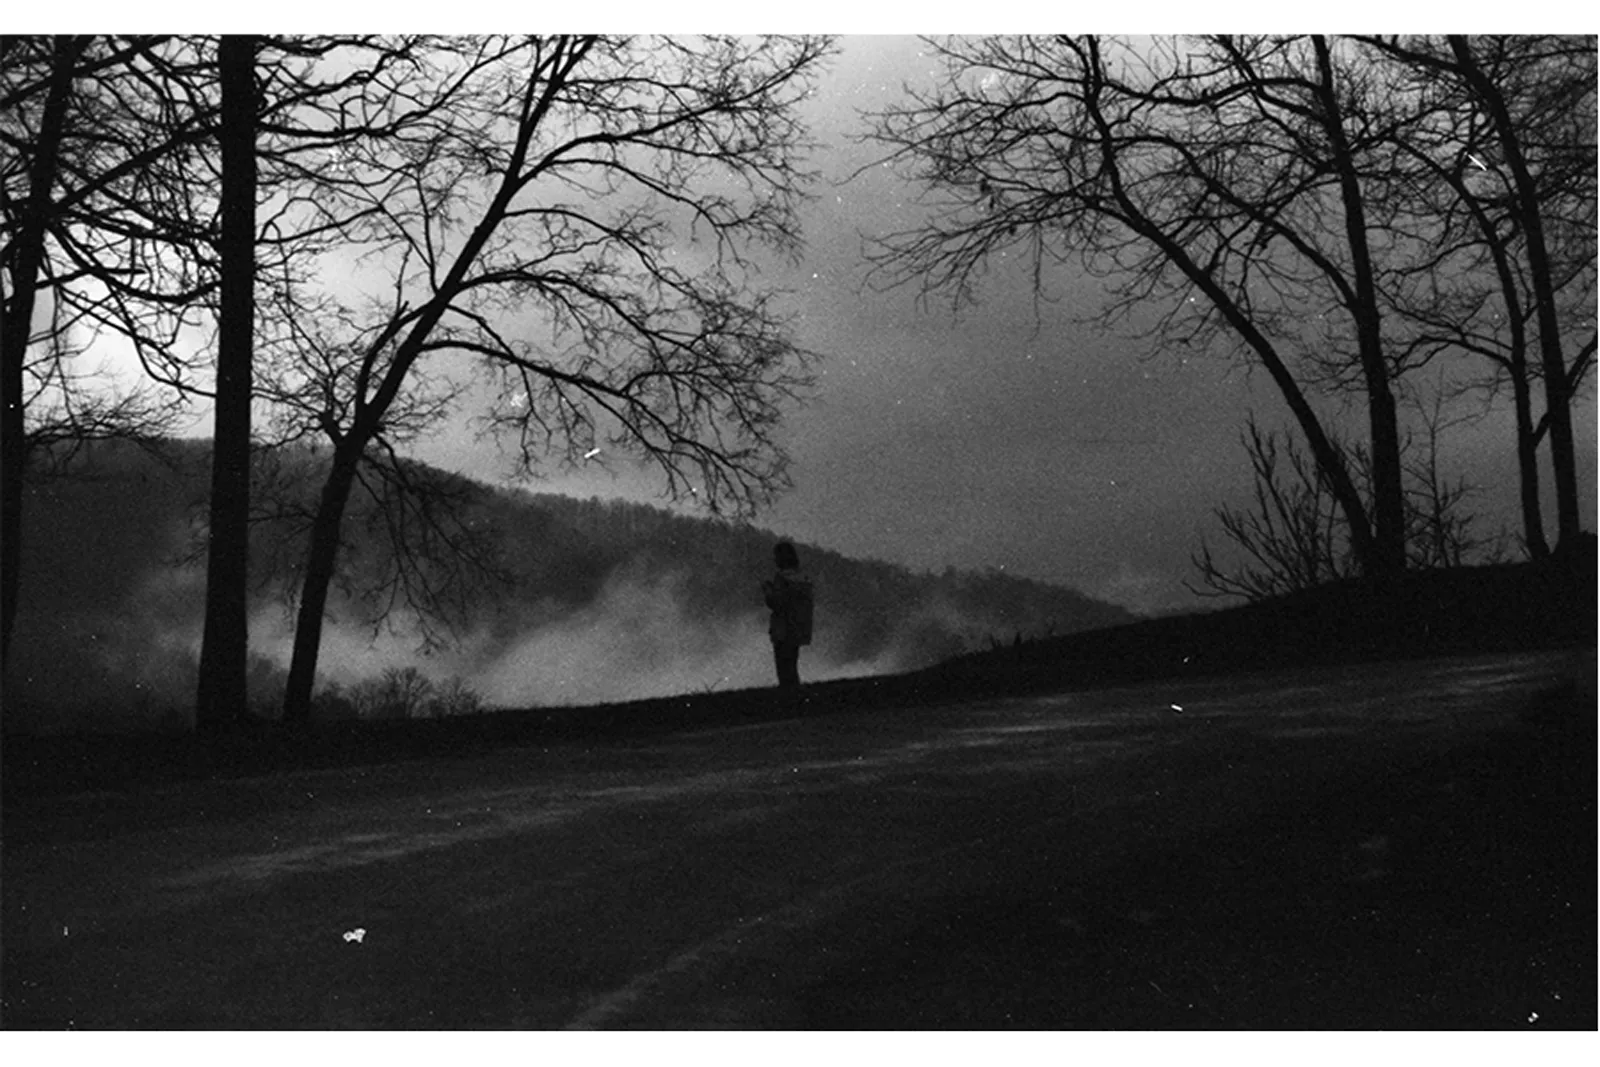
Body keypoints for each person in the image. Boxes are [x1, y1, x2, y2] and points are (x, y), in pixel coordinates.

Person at [762, 540, 813, 689]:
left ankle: (788, 697)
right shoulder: (803, 578)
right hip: (798, 628)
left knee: (783, 669)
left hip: (783, 629)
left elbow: (777, 603)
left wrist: (768, 591)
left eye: (776, 556)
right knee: (792, 667)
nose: (774, 560)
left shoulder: (782, 578)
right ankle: (795, 695)